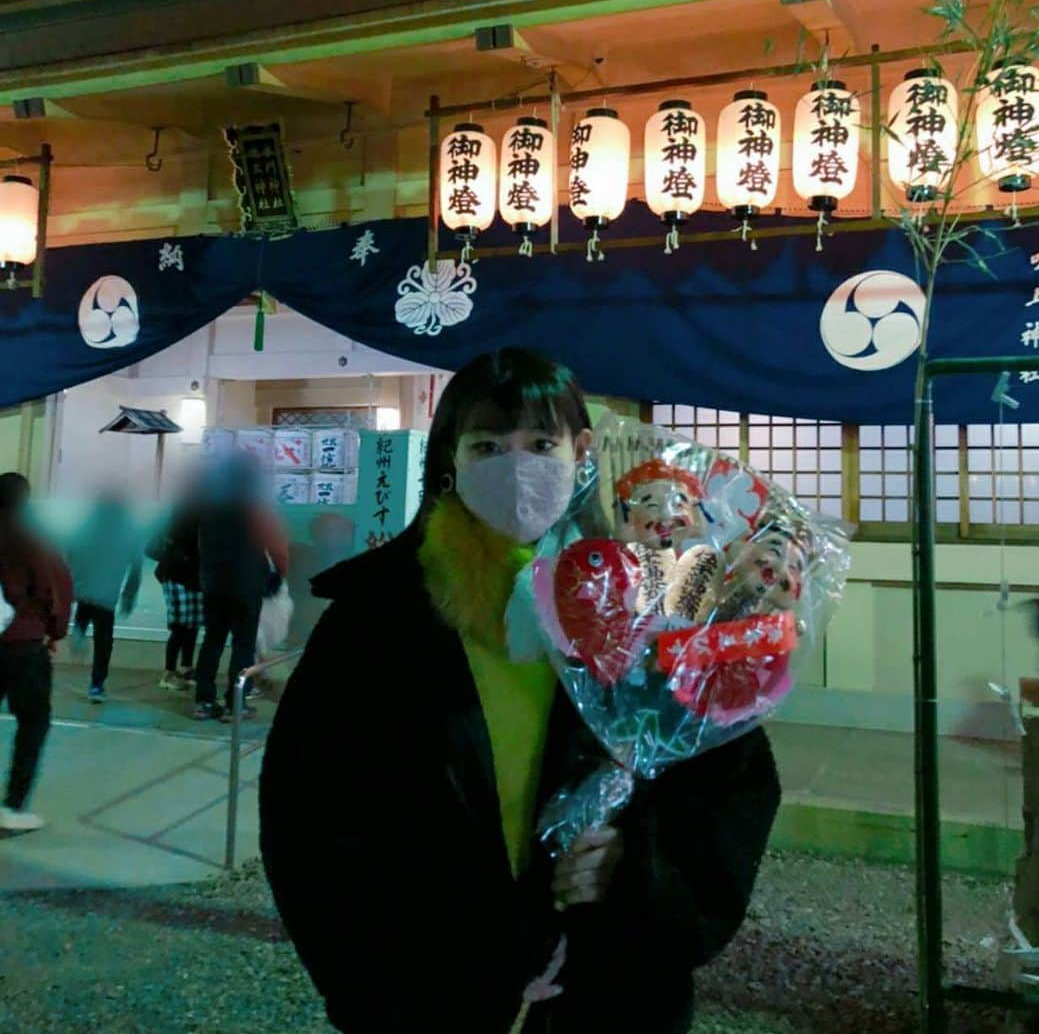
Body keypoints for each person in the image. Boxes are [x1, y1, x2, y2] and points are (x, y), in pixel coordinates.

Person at [259, 349, 781, 1034]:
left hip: (608, 997)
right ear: (450, 457)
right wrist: (391, 983)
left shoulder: (658, 605)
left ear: (582, 451)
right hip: (436, 999)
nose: (517, 466)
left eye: (541, 443)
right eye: (488, 446)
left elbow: (725, 787)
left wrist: (636, 872)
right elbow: (309, 821)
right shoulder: (380, 618)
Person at [191, 454, 289, 721]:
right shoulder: (255, 505)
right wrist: (279, 571)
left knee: (212, 642)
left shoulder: (210, 505)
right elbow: (277, 544)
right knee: (243, 645)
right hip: (246, 584)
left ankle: (203, 702)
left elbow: (198, 544)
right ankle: (236, 705)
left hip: (213, 583)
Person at [0, 472, 72, 833]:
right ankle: (11, 807)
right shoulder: (33, 539)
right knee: (33, 722)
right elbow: (55, 588)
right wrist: (54, 632)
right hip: (22, 645)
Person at [67, 491, 143, 703]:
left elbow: (70, 551)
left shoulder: (86, 526)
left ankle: (79, 629)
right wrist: (129, 594)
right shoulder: (127, 532)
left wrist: (71, 581)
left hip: (84, 589)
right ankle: (97, 685)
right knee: (104, 641)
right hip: (106, 595)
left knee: (84, 609)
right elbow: (136, 566)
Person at [147, 499, 202, 692]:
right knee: (180, 626)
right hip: (176, 575)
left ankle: (186, 667)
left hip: (194, 577)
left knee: (192, 624)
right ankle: (169, 673)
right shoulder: (181, 512)